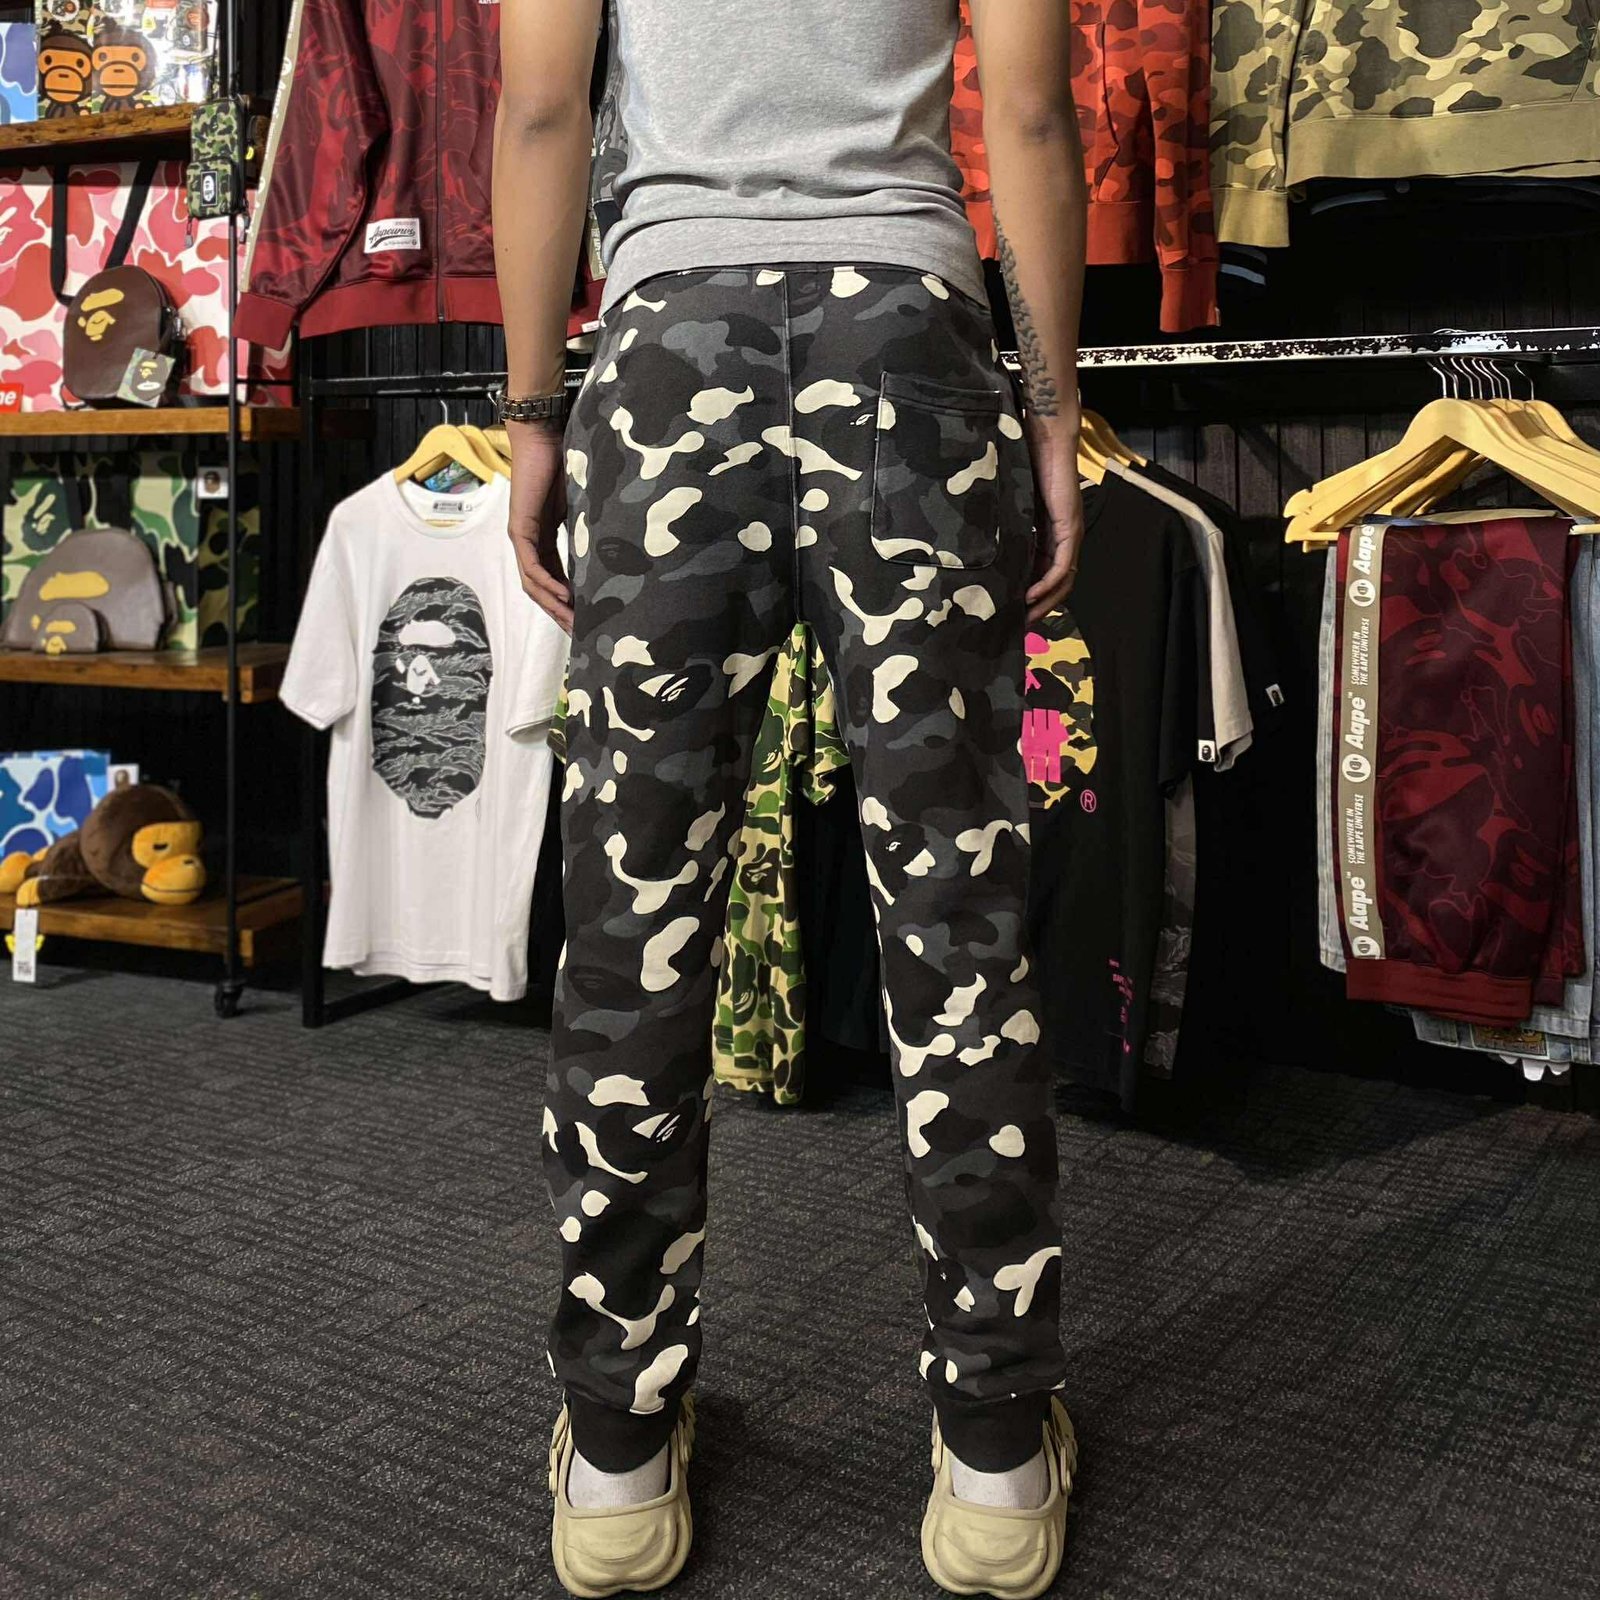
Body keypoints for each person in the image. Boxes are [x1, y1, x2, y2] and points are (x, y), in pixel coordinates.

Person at [494, 3, 1086, 1595]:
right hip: (907, 346)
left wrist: (533, 418)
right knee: (954, 913)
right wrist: (1051, 416)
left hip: (667, 348)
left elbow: (542, 114)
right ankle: (997, 1454)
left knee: (634, 917)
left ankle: (617, 1456)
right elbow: (1033, 117)